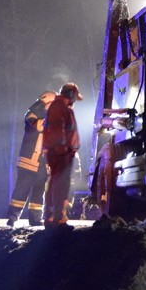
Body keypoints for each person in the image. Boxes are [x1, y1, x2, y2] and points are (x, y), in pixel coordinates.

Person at [7, 90, 56, 227]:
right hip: (28, 162)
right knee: (21, 190)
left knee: (38, 192)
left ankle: (35, 219)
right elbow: (39, 126)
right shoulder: (31, 115)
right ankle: (12, 218)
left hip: (42, 163)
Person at [43, 82, 83, 228]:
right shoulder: (58, 107)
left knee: (61, 184)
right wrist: (63, 150)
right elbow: (56, 130)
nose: (74, 101)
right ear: (71, 95)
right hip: (60, 154)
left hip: (63, 153)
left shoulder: (62, 107)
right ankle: (54, 218)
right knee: (59, 184)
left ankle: (58, 217)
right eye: (74, 97)